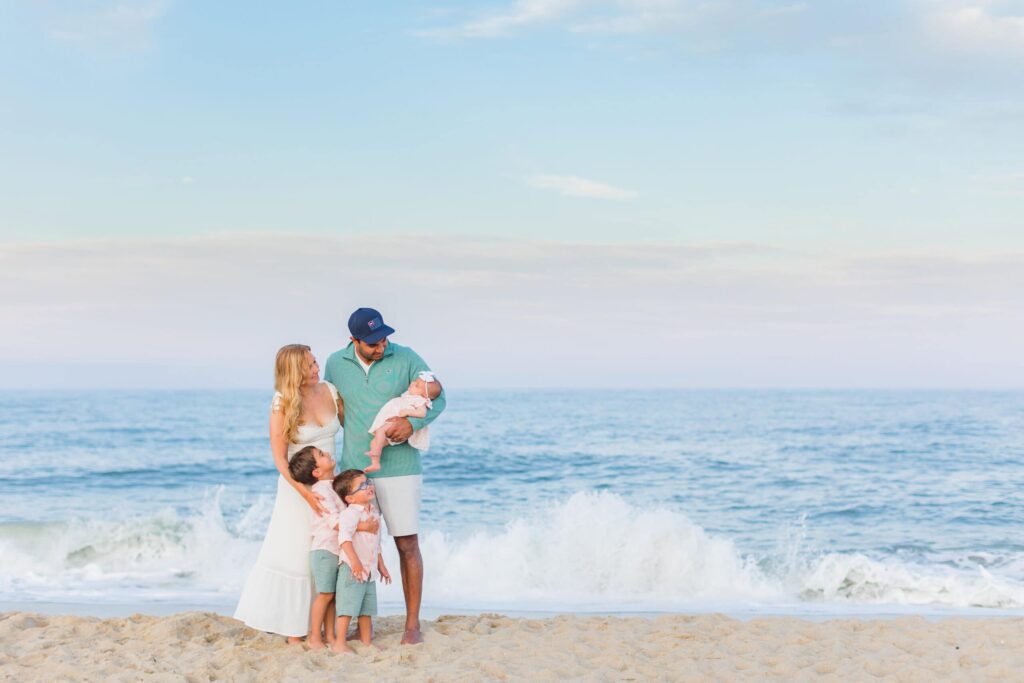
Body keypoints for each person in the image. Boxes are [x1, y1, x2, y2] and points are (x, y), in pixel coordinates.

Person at [234, 345, 376, 642]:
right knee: (297, 553)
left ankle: (324, 627)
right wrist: (305, 494)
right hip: (298, 488)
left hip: (330, 482)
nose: (316, 368)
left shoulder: (330, 391)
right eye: (309, 365)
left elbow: (356, 426)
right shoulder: (281, 402)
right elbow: (279, 459)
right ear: (293, 371)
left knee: (329, 551)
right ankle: (293, 629)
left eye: (314, 362)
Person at [323, 308, 446, 645]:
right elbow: (335, 407)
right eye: (374, 342)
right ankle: (356, 622)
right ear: (354, 340)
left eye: (384, 338)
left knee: (406, 544)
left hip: (401, 469)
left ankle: (412, 625)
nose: (382, 346)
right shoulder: (335, 364)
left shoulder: (406, 357)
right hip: (354, 469)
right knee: (353, 545)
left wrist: (413, 424)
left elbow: (440, 395)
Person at [286, 445, 343, 650]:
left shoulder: (335, 485)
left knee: (333, 594)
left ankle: (330, 634)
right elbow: (334, 521)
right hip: (325, 549)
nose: (327, 453)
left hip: (337, 549)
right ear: (316, 472)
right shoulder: (320, 491)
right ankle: (315, 636)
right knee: (324, 594)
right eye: (321, 455)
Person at [330, 469, 391, 654]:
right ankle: (339, 642)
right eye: (362, 486)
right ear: (350, 498)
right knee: (347, 608)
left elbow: (376, 543)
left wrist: (382, 566)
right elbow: (344, 539)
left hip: (369, 570)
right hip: (352, 568)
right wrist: (355, 563)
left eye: (368, 482)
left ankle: (366, 642)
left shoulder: (373, 512)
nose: (369, 486)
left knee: (367, 609)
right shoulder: (350, 514)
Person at [363, 372, 442, 473]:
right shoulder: (410, 396)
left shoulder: (420, 400)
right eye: (415, 382)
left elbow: (422, 413)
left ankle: (376, 454)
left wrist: (408, 412)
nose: (412, 383)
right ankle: (375, 463)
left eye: (416, 385)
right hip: (392, 421)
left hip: (397, 424)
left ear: (424, 395)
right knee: (374, 442)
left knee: (380, 432)